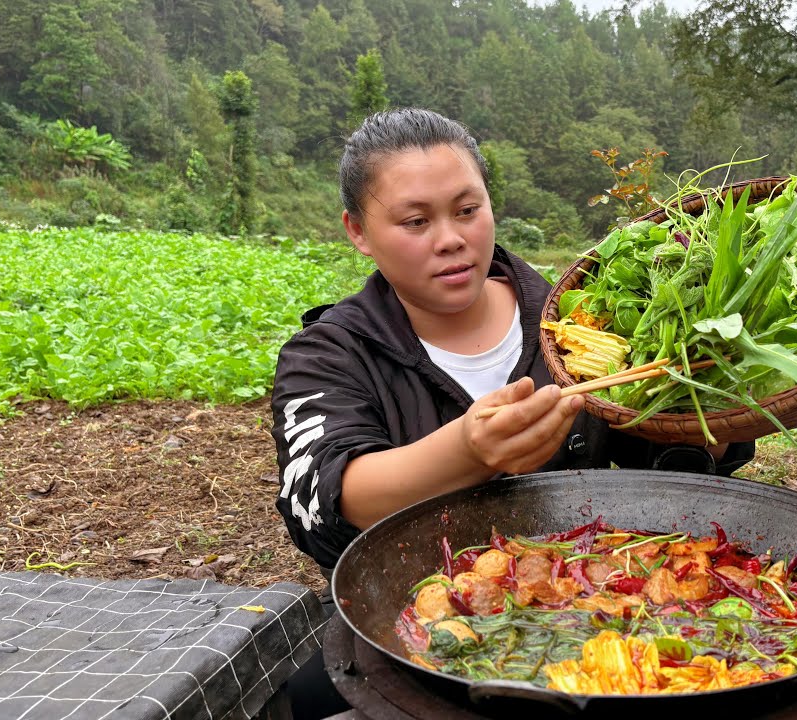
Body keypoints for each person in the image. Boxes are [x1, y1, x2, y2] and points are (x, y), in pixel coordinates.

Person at [270, 107, 753, 718]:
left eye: (468, 210)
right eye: (415, 221)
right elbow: (324, 497)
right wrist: (468, 452)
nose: (451, 238)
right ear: (359, 231)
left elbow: (659, 467)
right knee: (313, 700)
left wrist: (708, 421)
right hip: (420, 625)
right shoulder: (332, 352)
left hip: (594, 610)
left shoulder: (576, 321)